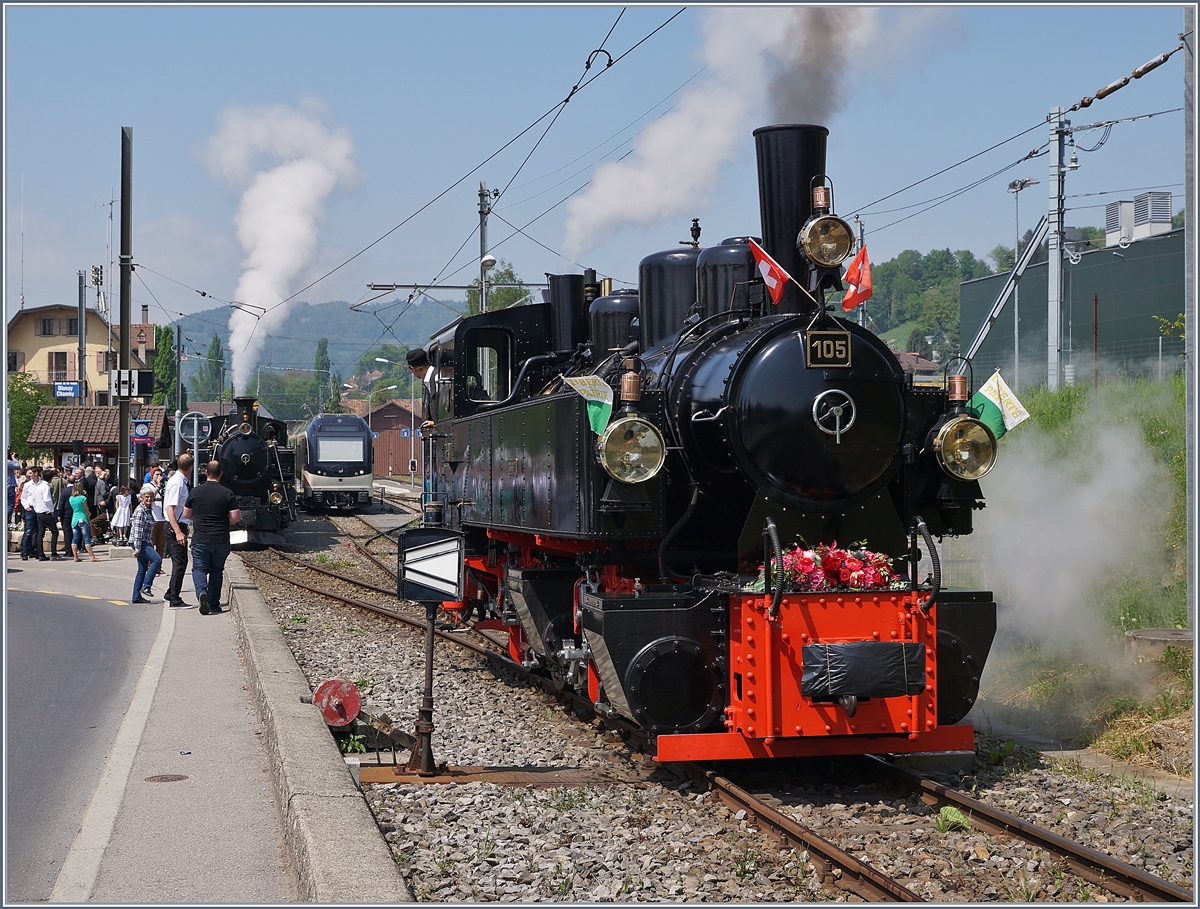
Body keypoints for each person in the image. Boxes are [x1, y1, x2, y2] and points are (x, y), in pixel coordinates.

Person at [183, 460, 240, 615]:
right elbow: (235, 517)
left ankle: (202, 592)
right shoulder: (227, 493)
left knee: (199, 569)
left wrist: (199, 519)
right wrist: (223, 521)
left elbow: (186, 514)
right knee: (216, 571)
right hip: (221, 539)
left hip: (200, 538)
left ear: (206, 472)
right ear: (221, 474)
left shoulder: (195, 491)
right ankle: (213, 604)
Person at [163, 453, 194, 608]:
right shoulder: (178, 483)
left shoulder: (178, 480)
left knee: (179, 562)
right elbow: (170, 509)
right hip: (174, 526)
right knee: (180, 563)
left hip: (175, 525)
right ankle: (174, 598)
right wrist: (178, 532)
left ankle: (170, 593)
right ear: (191, 467)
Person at [128, 488, 163, 604]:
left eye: (151, 497)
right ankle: (146, 586)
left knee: (142, 569)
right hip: (140, 542)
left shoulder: (148, 510)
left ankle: (136, 596)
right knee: (157, 560)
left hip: (145, 542)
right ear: (141, 498)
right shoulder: (140, 511)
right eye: (146, 497)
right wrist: (137, 549)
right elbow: (138, 531)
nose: (149, 499)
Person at [20, 467, 54, 561]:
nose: (29, 475)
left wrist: (49, 509)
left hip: (40, 509)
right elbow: (23, 497)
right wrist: (26, 506)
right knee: (28, 531)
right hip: (31, 509)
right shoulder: (27, 485)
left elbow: (46, 498)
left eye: (31, 473)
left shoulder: (43, 484)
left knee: (39, 532)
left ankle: (37, 552)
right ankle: (25, 551)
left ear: (36, 473)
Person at [69, 481, 100, 562]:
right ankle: (92, 556)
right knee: (86, 538)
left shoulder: (71, 498)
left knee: (75, 538)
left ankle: (75, 556)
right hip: (82, 518)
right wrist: (89, 517)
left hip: (74, 518)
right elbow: (86, 510)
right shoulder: (83, 498)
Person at [39, 468, 63, 559]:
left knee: (40, 534)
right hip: (46, 512)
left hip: (39, 511)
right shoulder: (46, 486)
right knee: (55, 531)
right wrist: (51, 510)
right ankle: (53, 553)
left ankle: (40, 553)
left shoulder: (39, 486)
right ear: (50, 478)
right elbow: (47, 499)